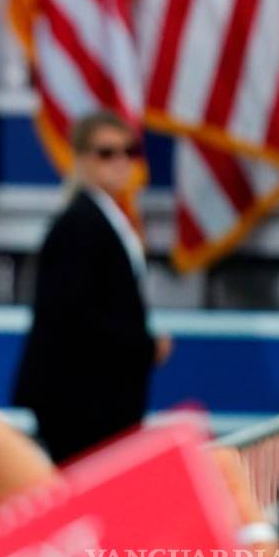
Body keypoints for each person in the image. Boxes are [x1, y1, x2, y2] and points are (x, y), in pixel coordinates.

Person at [12, 111, 172, 464]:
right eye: (106, 153)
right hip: (81, 401)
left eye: (129, 151)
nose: (120, 161)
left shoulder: (105, 219)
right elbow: (72, 315)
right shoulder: (78, 224)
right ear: (82, 158)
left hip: (101, 397)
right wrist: (144, 346)